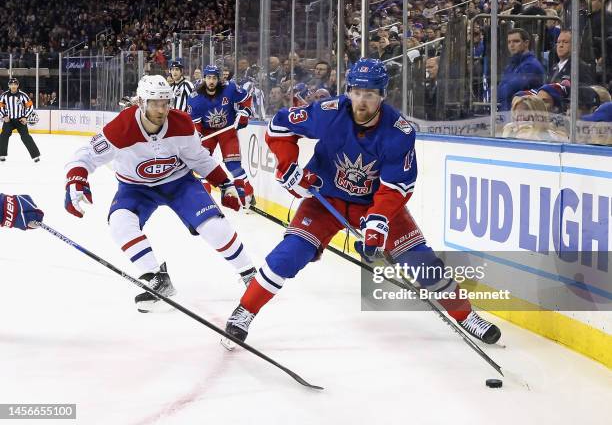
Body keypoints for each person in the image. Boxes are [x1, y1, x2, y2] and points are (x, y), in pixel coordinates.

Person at [223, 58, 502, 346]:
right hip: (325, 198)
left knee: (421, 261)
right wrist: (288, 165)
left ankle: (466, 315)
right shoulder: (329, 112)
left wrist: (377, 223)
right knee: (288, 255)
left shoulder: (399, 132)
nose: (361, 101)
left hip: (371, 205)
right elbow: (280, 127)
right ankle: (245, 311)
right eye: (356, 92)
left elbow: (396, 187)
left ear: (382, 95)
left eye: (369, 94)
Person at [64, 75, 256, 313]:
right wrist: (76, 178)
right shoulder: (121, 127)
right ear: (141, 102)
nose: (161, 109)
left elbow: (198, 158)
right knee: (119, 224)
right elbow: (87, 154)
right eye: (155, 103)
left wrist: (225, 184)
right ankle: (157, 278)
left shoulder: (182, 123)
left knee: (213, 225)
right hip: (136, 187)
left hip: (179, 182)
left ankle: (249, 274)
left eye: (165, 102)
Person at [187, 65, 256, 208]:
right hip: (207, 132)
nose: (211, 81)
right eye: (208, 78)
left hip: (227, 130)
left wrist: (244, 113)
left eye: (214, 78)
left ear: (219, 79)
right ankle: (204, 200)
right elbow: (196, 125)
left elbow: (246, 98)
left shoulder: (229, 88)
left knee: (233, 165)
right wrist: (196, 136)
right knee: (202, 163)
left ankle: (248, 194)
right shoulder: (195, 98)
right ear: (204, 78)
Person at [498, 28, 545, 111]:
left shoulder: (531, 65)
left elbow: (508, 90)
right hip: (509, 113)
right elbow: (498, 92)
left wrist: (501, 89)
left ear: (526, 43)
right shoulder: (511, 65)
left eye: (516, 41)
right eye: (509, 42)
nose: (511, 45)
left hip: (525, 117)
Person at [0, 78, 41, 162]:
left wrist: (25, 117)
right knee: (4, 135)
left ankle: (35, 156)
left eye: (15, 84)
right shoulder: (4, 95)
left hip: (20, 120)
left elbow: (30, 106)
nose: (13, 86)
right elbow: (0, 106)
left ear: (18, 85)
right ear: (9, 85)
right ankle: (1, 155)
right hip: (9, 120)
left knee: (25, 136)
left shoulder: (23, 95)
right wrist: (4, 116)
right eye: (11, 84)